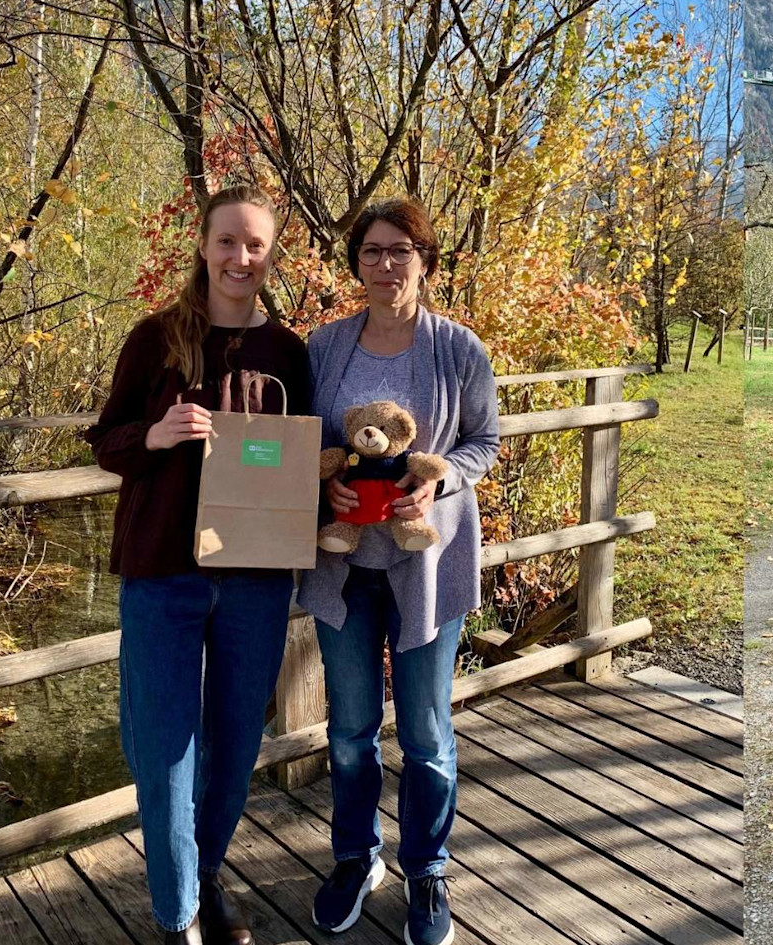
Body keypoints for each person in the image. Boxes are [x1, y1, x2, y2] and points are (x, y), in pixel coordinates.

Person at [86, 185, 311, 945]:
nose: (240, 258)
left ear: (271, 253)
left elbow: (308, 457)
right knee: (164, 743)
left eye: (255, 245)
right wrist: (153, 435)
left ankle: (206, 870)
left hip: (255, 576)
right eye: (227, 242)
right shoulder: (157, 339)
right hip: (162, 573)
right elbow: (105, 437)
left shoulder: (289, 351)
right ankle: (178, 912)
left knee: (237, 739)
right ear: (202, 246)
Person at [299, 197, 500, 945]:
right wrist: (326, 487)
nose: (385, 264)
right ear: (357, 261)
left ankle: (427, 866)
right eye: (372, 251)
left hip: (428, 564)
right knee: (350, 729)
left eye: (400, 251)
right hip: (343, 566)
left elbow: (486, 439)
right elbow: (305, 445)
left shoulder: (457, 348)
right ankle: (356, 857)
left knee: (424, 729)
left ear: (426, 260)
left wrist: (442, 475)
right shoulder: (325, 347)